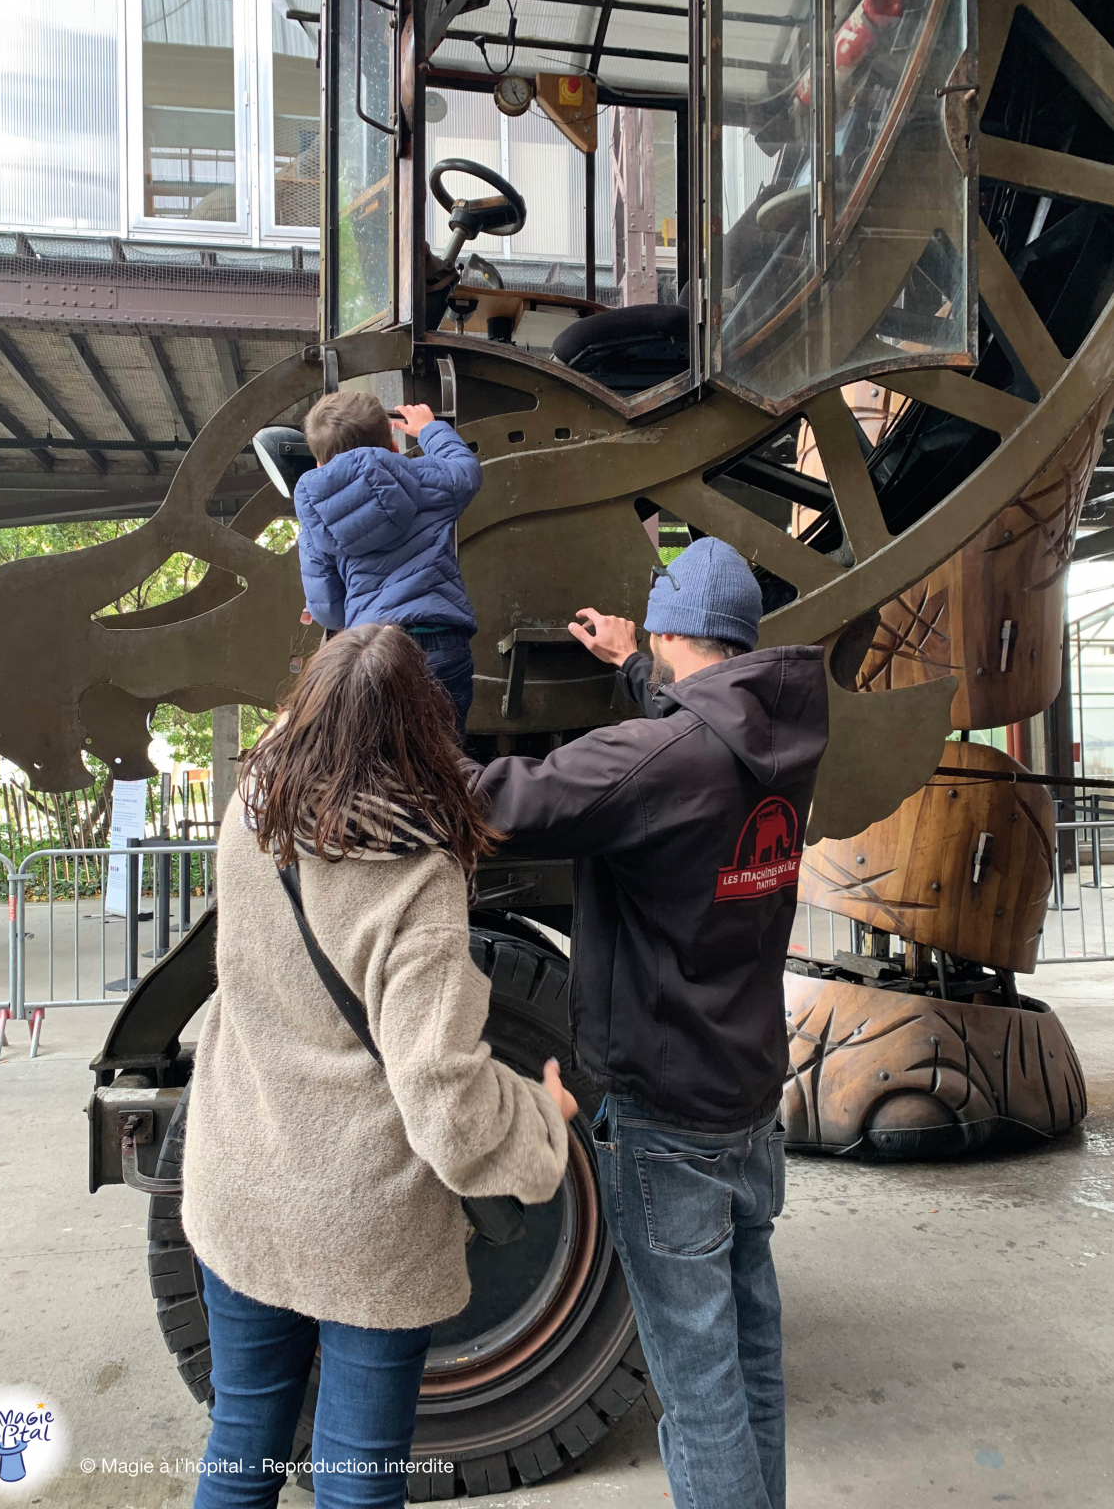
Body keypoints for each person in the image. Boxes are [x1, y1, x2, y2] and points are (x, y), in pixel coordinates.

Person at [181, 624, 575, 1509]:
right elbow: (443, 1100)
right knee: (357, 1478)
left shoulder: (249, 819)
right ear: (420, 731)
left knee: (242, 1441)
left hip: (238, 1180)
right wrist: (541, 1118)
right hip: (363, 1219)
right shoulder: (417, 877)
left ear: (308, 707)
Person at [470, 537, 830, 1509]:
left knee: (698, 1390)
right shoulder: (783, 740)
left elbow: (505, 803)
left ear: (674, 628)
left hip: (667, 1117)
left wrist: (376, 730)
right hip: (748, 1099)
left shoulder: (652, 758)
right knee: (750, 1353)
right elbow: (689, 743)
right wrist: (635, 665)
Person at [293, 391, 481, 740]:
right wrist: (430, 430)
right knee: (447, 755)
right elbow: (466, 471)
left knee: (390, 757)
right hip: (441, 643)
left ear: (320, 465)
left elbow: (330, 612)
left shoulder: (315, 522)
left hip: (374, 654)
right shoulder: (426, 477)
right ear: (393, 445)